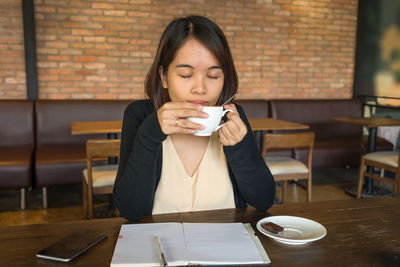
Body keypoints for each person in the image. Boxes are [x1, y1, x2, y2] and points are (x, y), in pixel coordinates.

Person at [113, 15, 275, 221]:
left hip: (227, 247)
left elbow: (264, 200)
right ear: (164, 77)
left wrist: (239, 147)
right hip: (160, 249)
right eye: (186, 75)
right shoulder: (140, 116)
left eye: (213, 76)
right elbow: (129, 210)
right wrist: (150, 133)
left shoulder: (232, 117)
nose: (200, 89)